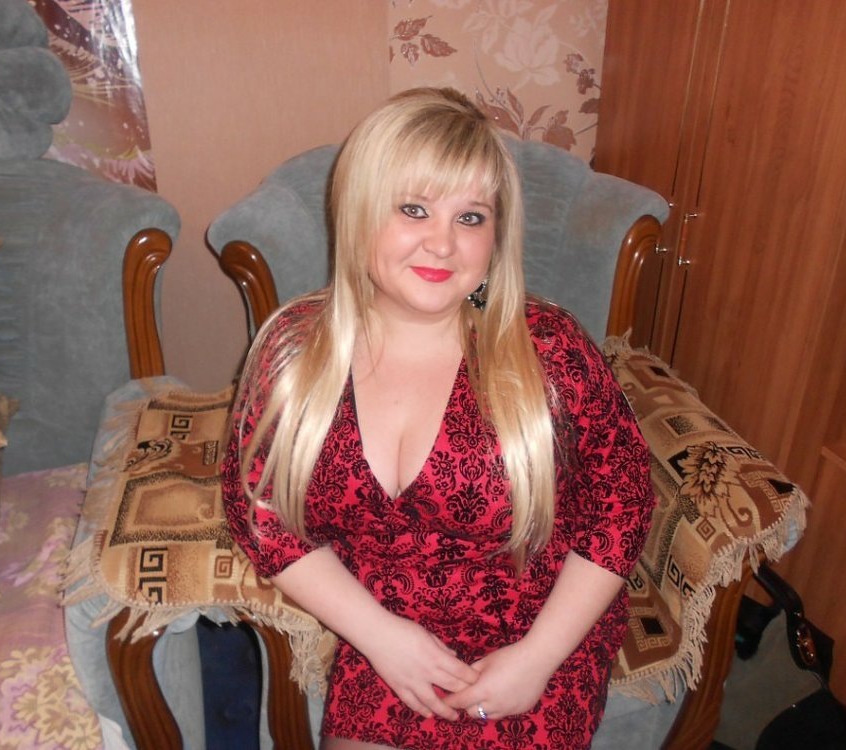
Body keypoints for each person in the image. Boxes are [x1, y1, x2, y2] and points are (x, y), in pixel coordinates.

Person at [222, 87, 655, 750]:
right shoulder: (295, 353)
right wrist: (379, 638)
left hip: (535, 625)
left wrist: (539, 657)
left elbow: (621, 503)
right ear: (360, 211)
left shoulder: (547, 348)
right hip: (390, 631)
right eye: (414, 209)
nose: (443, 243)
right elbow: (260, 514)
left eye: (471, 217)